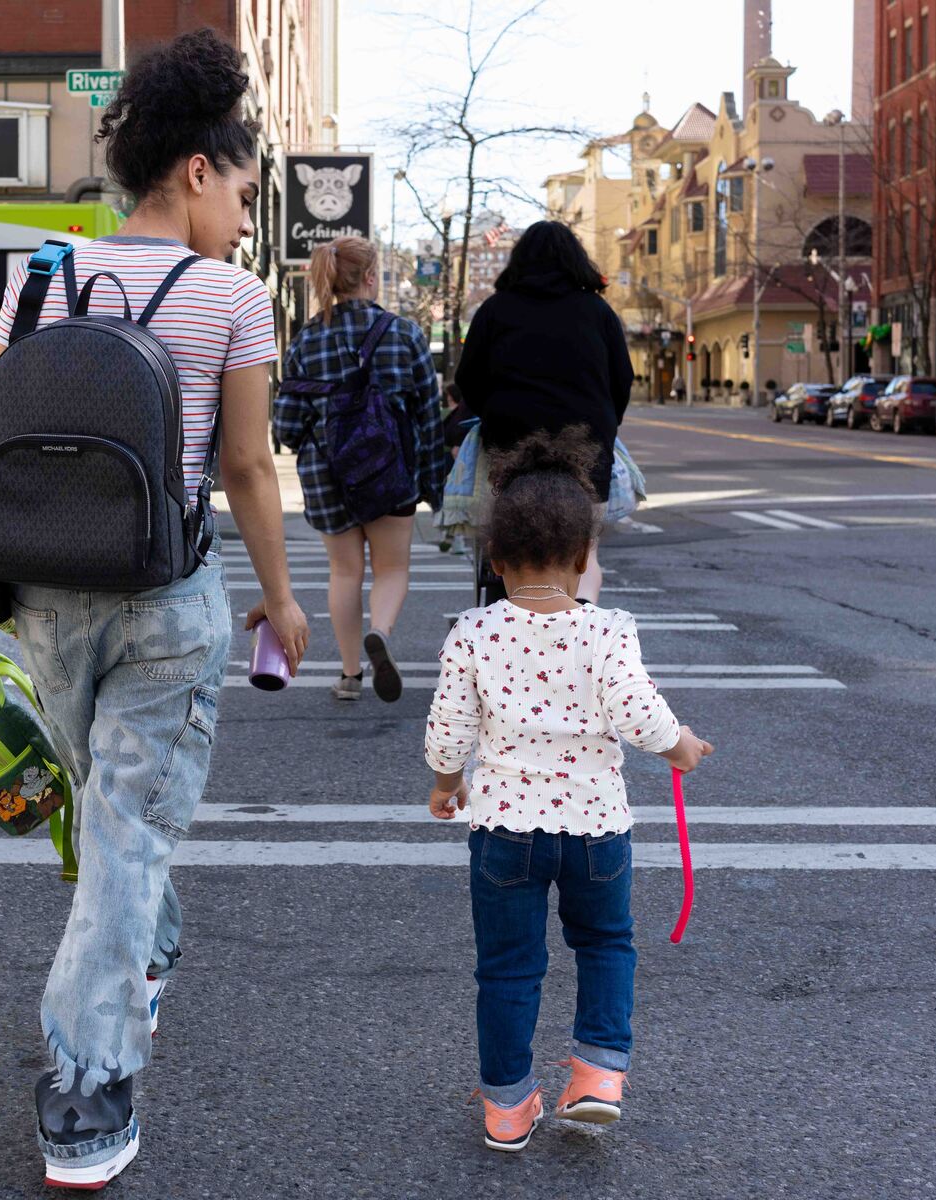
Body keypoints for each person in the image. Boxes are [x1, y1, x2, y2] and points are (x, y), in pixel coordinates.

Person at [0, 29, 309, 1190]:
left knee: (109, 818)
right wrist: (279, 599)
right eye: (247, 192)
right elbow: (250, 467)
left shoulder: (39, 278)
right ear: (199, 171)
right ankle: (87, 1082)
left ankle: (139, 960)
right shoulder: (230, 295)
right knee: (127, 832)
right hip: (166, 594)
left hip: (42, 595)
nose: (248, 220)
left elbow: (4, 438)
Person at [422, 429, 714, 1153]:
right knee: (607, 945)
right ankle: (597, 1077)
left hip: (504, 832)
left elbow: (448, 728)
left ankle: (509, 1107)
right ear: (585, 559)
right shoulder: (609, 630)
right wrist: (681, 745)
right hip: (596, 831)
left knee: (508, 968)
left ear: (492, 558)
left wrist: (447, 781)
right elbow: (638, 711)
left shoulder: (473, 632)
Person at [274, 236, 443, 703]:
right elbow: (428, 418)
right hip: (391, 474)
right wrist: (433, 483)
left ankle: (350, 676)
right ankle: (382, 633)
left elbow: (286, 427)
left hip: (328, 477)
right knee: (391, 569)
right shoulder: (405, 334)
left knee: (344, 572)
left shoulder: (306, 339)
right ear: (370, 277)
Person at [455, 220, 633, 606]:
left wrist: (493, 417)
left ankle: (516, 635)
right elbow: (623, 380)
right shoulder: (598, 312)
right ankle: (581, 627)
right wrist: (603, 428)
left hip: (512, 447)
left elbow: (467, 377)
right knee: (585, 551)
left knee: (516, 552)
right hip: (586, 449)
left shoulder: (494, 310)